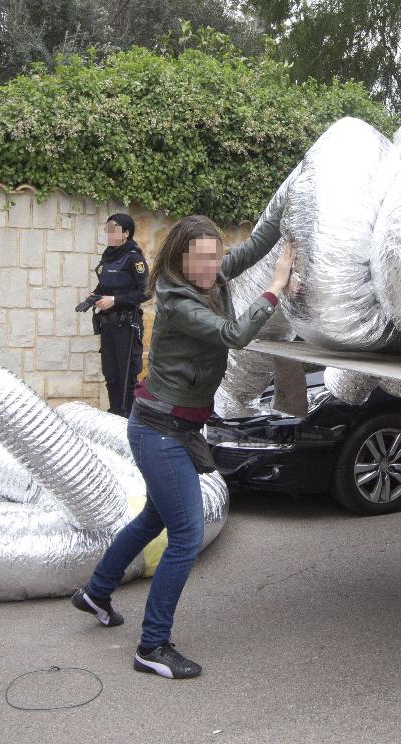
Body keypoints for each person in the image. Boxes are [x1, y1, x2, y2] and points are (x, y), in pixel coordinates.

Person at [71, 214, 293, 679]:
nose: (214, 266)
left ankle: (96, 591)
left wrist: (283, 218)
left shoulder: (207, 274)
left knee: (156, 516)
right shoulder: (178, 301)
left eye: (216, 256)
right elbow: (235, 335)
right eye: (203, 259)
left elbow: (249, 248)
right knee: (187, 534)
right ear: (180, 258)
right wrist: (274, 287)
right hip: (161, 430)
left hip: (174, 426)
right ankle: (152, 645)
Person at [88, 213, 149, 417]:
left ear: (125, 233)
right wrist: (95, 295)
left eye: (113, 229)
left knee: (126, 376)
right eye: (108, 229)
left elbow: (145, 292)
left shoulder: (134, 259)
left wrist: (114, 301)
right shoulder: (108, 256)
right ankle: (113, 414)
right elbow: (105, 285)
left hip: (127, 326)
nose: (109, 234)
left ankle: (127, 417)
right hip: (108, 325)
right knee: (111, 373)